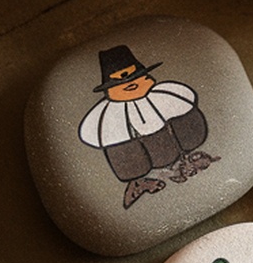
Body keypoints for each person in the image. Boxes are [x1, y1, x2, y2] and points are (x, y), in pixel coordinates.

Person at [78, 46, 218, 210]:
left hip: (169, 146)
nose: (130, 84)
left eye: (135, 77)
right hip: (141, 149)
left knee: (182, 119)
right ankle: (137, 181)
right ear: (109, 90)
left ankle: (184, 157)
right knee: (119, 142)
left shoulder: (164, 95)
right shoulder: (107, 115)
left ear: (146, 77)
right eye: (119, 83)